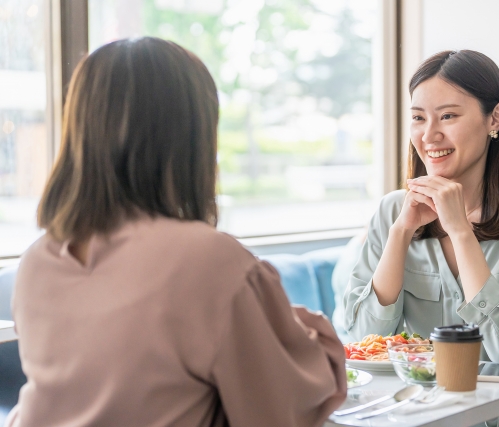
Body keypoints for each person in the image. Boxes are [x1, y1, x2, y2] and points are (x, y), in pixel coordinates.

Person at [6, 37, 346, 427]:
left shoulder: (36, 263)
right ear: (192, 134)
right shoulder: (209, 260)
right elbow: (285, 410)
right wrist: (305, 334)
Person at [343, 50, 499, 426]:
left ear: (495, 119)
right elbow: (364, 339)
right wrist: (402, 232)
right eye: (419, 118)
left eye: (448, 116)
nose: (429, 134)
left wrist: (459, 229)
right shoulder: (393, 212)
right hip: (432, 415)